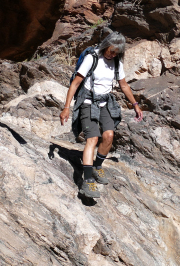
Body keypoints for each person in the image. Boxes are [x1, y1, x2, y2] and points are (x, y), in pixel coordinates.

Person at [59, 31, 143, 199]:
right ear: (106, 45)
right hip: (88, 102)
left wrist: (135, 104)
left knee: (109, 135)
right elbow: (76, 83)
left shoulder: (117, 62)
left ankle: (97, 166)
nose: (112, 54)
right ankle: (87, 181)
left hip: (105, 102)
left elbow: (124, 85)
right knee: (92, 138)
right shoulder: (93, 58)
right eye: (111, 50)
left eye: (116, 52)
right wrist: (66, 107)